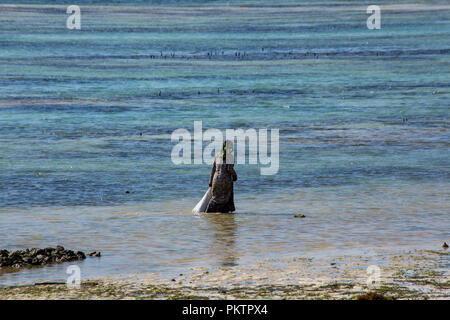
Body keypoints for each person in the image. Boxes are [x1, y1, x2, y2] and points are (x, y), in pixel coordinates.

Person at [205, 141, 237, 213]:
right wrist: (235, 176)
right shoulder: (230, 156)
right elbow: (229, 169)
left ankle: (209, 212)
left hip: (216, 179)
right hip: (225, 180)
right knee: (224, 198)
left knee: (215, 197)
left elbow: (213, 169)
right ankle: (222, 213)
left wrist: (210, 182)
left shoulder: (217, 155)